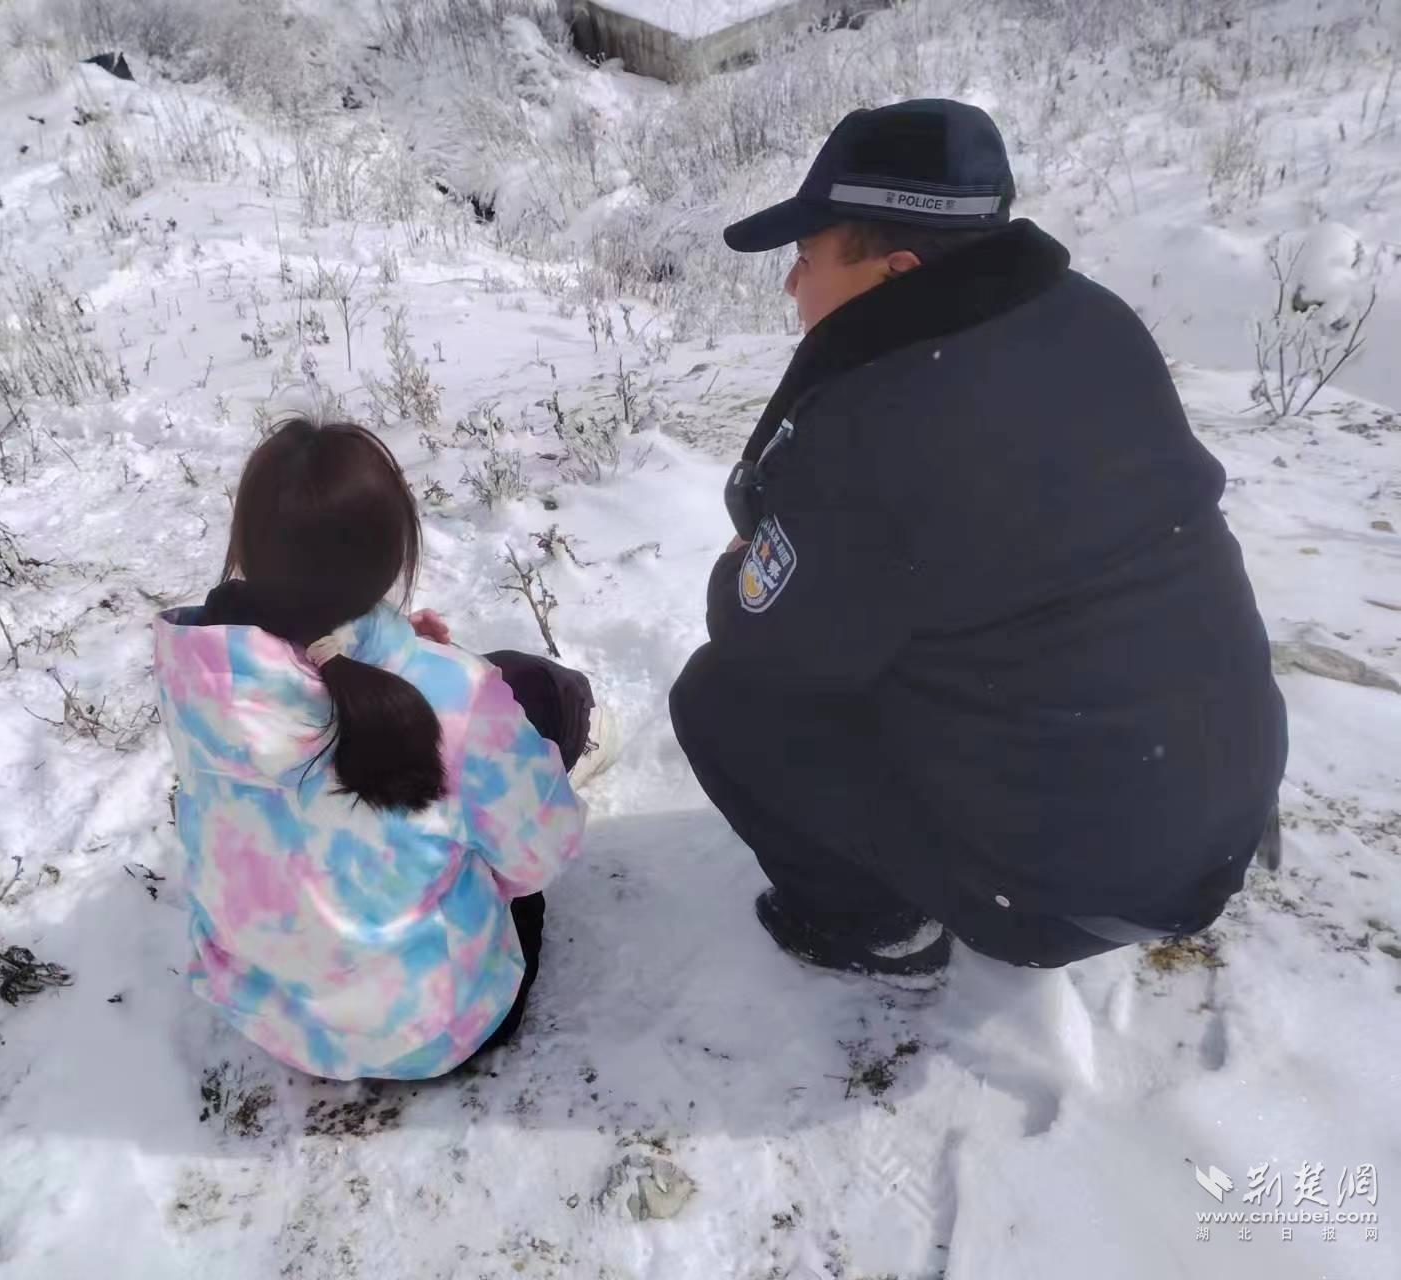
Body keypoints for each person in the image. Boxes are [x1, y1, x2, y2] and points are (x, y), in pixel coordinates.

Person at [669, 100, 1287, 975]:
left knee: (719, 701)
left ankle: (872, 926)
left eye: (805, 260)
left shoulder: (872, 426)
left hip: (1072, 896)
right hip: (1220, 809)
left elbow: (769, 646)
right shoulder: (1092, 319)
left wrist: (741, 574)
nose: (789, 285)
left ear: (898, 270)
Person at [153, 419, 595, 1081]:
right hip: (440, 1029)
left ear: (249, 546)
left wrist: (391, 649)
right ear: (391, 555)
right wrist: (428, 662)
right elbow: (540, 855)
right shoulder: (458, 697)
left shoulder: (195, 676)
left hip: (267, 1011)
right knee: (545, 694)